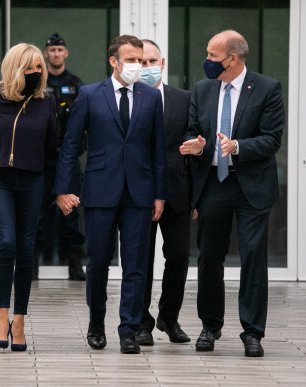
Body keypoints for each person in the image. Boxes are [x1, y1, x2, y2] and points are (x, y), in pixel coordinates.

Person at [53, 35, 167, 354]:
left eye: (141, 60)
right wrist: (64, 189)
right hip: (100, 189)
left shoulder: (151, 97)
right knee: (99, 261)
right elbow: (71, 146)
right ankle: (96, 323)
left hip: (140, 193)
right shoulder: (89, 94)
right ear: (114, 61)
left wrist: (160, 194)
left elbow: (158, 149)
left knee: (135, 264)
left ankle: (129, 329)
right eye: (131, 60)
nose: (138, 66)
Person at [180, 30, 284, 357]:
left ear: (232, 58)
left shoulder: (267, 88)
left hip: (252, 183)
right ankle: (210, 326)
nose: (207, 61)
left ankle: (252, 332)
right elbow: (193, 131)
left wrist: (237, 146)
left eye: (213, 56)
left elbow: (272, 139)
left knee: (253, 256)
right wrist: (197, 145)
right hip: (215, 183)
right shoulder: (203, 88)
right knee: (209, 256)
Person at [0, 43, 57, 352]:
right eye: (30, 67)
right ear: (15, 68)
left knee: (26, 249)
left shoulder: (47, 101)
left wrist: (54, 190)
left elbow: (52, 152)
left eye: (40, 67)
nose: (37, 72)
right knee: (6, 244)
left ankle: (19, 320)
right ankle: (1, 316)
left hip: (33, 181)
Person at [134, 39, 193, 346]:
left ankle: (169, 318)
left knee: (180, 255)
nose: (147, 67)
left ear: (163, 62)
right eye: (141, 62)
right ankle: (141, 322)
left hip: (179, 192)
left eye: (151, 61)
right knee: (141, 258)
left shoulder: (184, 99)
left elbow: (193, 144)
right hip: (140, 194)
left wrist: (196, 196)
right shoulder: (129, 98)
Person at [34, 32, 87, 281]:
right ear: (46, 53)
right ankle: (32, 265)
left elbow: (88, 120)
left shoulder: (76, 84)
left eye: (59, 50)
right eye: (52, 50)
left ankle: (75, 265)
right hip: (41, 160)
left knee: (71, 212)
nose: (55, 54)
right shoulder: (37, 82)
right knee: (37, 211)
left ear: (65, 53)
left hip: (68, 159)